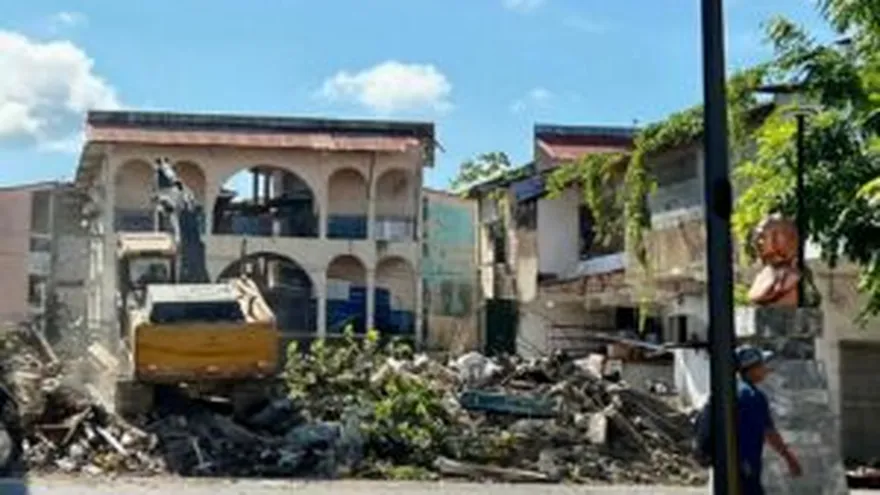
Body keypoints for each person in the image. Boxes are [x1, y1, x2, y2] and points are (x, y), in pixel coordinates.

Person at [734, 344, 802, 494]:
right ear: (751, 368)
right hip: (746, 463)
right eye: (762, 365)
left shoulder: (732, 389)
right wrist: (789, 458)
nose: (766, 369)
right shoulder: (752, 396)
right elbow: (769, 432)